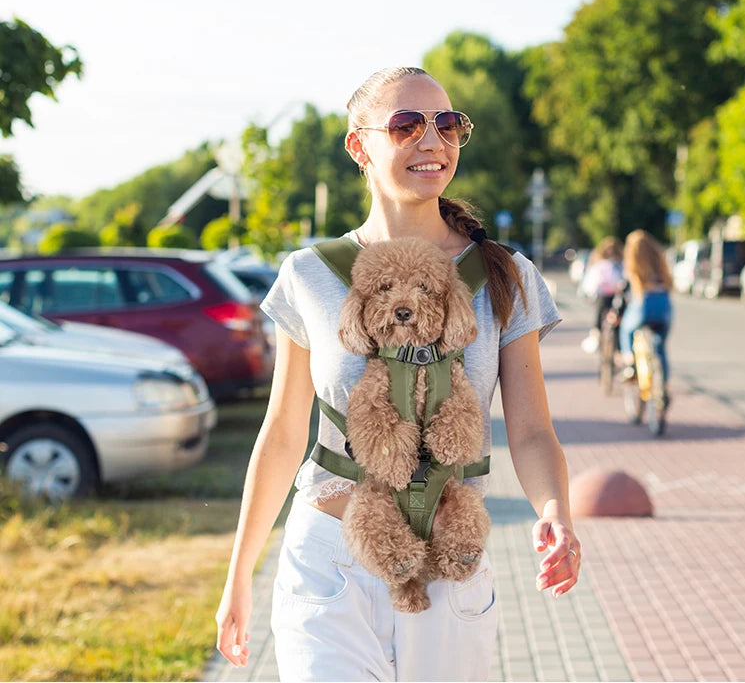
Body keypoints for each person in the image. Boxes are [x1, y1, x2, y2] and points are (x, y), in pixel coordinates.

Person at [215, 66, 580, 682]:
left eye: (448, 125)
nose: (431, 141)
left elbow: (533, 432)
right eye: (407, 125)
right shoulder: (309, 276)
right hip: (327, 562)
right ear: (360, 145)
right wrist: (240, 576)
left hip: (447, 563)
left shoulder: (505, 276)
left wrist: (556, 512)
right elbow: (281, 433)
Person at [616, 229, 673, 384]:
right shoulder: (660, 262)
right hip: (664, 304)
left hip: (644, 304)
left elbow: (627, 285)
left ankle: (630, 366)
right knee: (659, 347)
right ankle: (663, 387)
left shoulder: (634, 261)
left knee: (626, 329)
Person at [579, 236, 624, 354]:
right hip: (611, 296)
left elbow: (589, 283)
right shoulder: (615, 264)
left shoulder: (599, 263)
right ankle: (617, 350)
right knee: (618, 318)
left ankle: (596, 331)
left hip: (604, 296)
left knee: (603, 310)